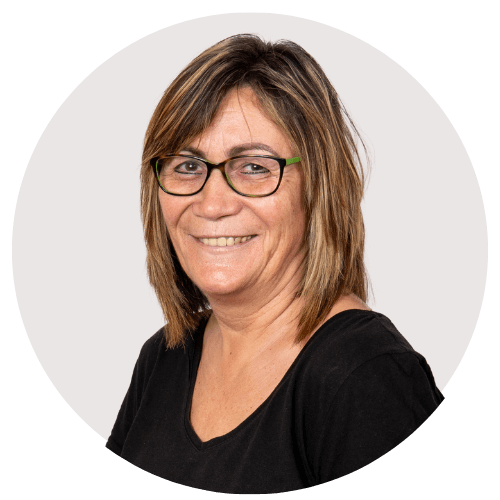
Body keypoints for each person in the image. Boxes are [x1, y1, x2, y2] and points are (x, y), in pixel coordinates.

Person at [105, 34, 444, 493]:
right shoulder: (164, 357)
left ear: (319, 186)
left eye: (254, 167)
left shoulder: (366, 378)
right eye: (187, 166)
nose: (212, 204)